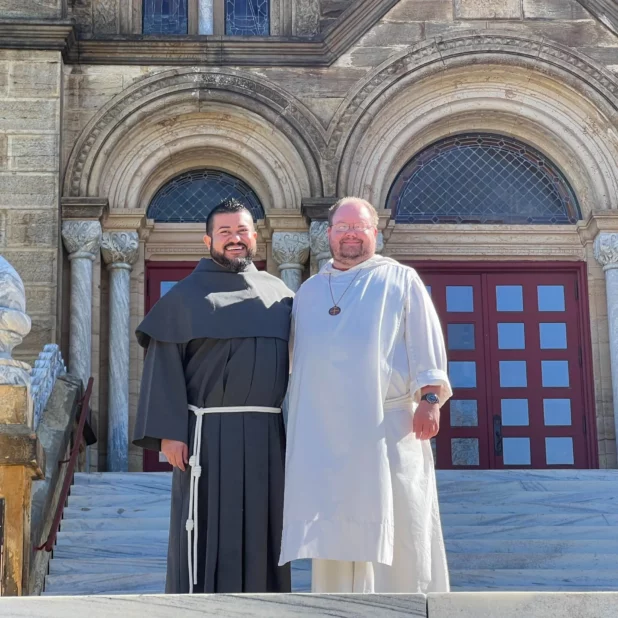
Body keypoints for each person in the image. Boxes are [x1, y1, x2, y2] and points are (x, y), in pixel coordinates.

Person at [279, 196, 452, 593]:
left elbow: (425, 342)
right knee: (334, 533)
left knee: (402, 526)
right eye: (343, 227)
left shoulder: (400, 279)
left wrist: (429, 400)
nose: (351, 234)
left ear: (375, 232)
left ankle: (405, 607)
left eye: (359, 227)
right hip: (327, 437)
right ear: (329, 234)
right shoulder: (308, 292)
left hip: (388, 426)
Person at [134, 198, 293, 594]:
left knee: (266, 527)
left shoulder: (280, 295)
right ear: (208, 240)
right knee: (204, 529)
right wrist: (170, 434)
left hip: (266, 436)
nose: (234, 239)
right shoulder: (185, 297)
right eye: (225, 232)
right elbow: (163, 366)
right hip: (207, 438)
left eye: (241, 231)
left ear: (254, 237)